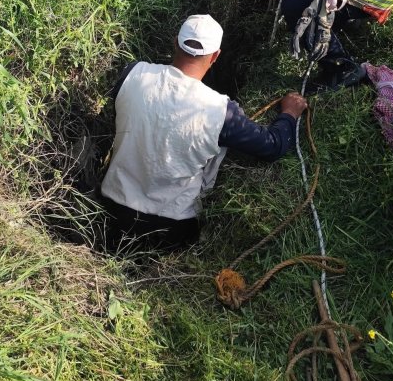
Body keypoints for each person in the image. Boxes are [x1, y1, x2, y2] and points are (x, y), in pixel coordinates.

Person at [99, 14, 307, 251]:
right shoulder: (220, 111)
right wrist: (289, 113)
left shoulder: (132, 74)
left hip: (110, 208)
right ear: (216, 56)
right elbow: (272, 146)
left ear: (175, 42)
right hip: (171, 226)